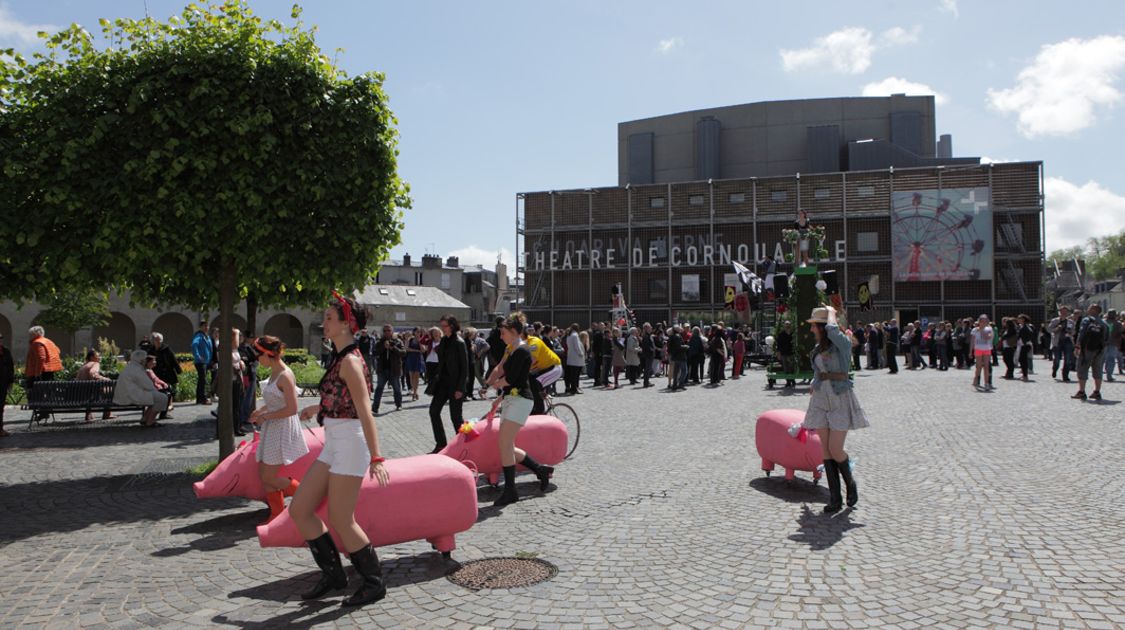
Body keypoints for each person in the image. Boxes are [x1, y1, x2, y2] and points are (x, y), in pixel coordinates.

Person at [289, 293, 389, 606]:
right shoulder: (340, 357)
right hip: (334, 442)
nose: (324, 322)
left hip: (350, 444)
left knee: (342, 518)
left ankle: (374, 583)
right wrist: (316, 407)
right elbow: (341, 397)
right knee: (299, 509)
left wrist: (376, 456)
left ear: (347, 324)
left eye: (330, 318)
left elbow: (365, 410)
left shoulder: (349, 361)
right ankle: (334, 576)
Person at [801, 305, 868, 513]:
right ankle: (834, 499)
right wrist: (814, 383)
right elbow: (819, 371)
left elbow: (833, 331)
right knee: (826, 450)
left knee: (836, 449)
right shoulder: (817, 349)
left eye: (814, 326)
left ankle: (851, 484)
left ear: (823, 326)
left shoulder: (843, 345)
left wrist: (831, 312)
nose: (811, 330)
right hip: (821, 399)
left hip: (840, 398)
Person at [489, 313, 556, 506]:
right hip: (513, 399)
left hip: (521, 401)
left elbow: (513, 380)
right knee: (506, 445)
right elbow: (513, 382)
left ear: (513, 332)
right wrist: (499, 399)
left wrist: (496, 384)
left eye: (503, 333)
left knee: (504, 444)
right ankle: (540, 470)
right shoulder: (513, 350)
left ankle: (511, 490)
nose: (501, 336)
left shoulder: (523, 351)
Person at [248, 336, 308, 524]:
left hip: (281, 428)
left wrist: (266, 416)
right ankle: (277, 514)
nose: (257, 359)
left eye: (258, 355)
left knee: (268, 476)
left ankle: (307, 499)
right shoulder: (275, 373)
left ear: (267, 354)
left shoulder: (285, 375)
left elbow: (291, 409)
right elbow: (276, 402)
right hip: (272, 427)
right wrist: (261, 410)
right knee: (265, 476)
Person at [426, 315, 468, 452]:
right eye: (441, 325)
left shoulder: (459, 342)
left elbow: (465, 367)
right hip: (442, 384)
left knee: (456, 417)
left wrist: (460, 388)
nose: (442, 328)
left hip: (455, 385)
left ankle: (464, 446)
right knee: (433, 411)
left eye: (444, 326)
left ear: (452, 326)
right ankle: (441, 443)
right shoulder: (443, 341)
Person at [113, 350, 170, 428]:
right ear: (141, 360)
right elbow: (148, 385)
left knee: (155, 397)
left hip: (126, 394)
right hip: (131, 396)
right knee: (162, 398)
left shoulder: (131, 366)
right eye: (144, 359)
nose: (145, 361)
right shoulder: (137, 369)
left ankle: (145, 418)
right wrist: (155, 390)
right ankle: (150, 421)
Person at [1073, 304, 1107, 401]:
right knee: (1098, 369)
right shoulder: (1103, 323)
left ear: (1093, 310)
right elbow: (1106, 337)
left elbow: (1081, 333)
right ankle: (1097, 392)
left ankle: (1082, 392)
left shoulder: (1086, 320)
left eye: (1089, 307)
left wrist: (1077, 346)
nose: (1087, 309)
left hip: (1086, 348)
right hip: (1100, 349)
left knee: (1082, 368)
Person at [372, 324, 405, 414]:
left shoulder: (398, 341)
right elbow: (375, 353)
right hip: (382, 370)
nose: (387, 332)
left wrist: (392, 347)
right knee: (379, 388)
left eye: (388, 330)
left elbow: (403, 353)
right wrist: (383, 347)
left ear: (392, 331)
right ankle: (375, 407)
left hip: (394, 369)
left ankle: (399, 405)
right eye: (385, 330)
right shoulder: (379, 342)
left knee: (397, 388)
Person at [76, 350, 116, 423]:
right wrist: (107, 379)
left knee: (93, 391)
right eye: (97, 356)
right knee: (110, 390)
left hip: (81, 393)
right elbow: (93, 374)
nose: (99, 358)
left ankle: (88, 414)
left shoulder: (84, 365)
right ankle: (107, 414)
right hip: (91, 392)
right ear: (91, 357)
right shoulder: (94, 363)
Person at [150, 333, 182, 419]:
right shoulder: (151, 349)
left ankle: (164, 413)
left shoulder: (166, 349)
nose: (158, 342)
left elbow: (173, 359)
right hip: (155, 373)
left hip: (166, 373)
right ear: (153, 341)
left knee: (167, 392)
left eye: (159, 340)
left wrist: (178, 370)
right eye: (156, 340)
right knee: (161, 393)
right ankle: (157, 412)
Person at [191, 321, 213, 405]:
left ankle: (200, 398)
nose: (206, 327)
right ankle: (202, 398)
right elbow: (194, 345)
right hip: (200, 362)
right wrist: (197, 356)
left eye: (207, 326)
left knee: (202, 380)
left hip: (206, 362)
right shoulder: (199, 336)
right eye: (204, 326)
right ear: (200, 327)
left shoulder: (206, 337)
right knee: (202, 380)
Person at [971, 315, 994, 391]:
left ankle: (986, 383)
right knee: (979, 366)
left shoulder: (989, 329)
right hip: (978, 349)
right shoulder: (974, 330)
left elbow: (989, 337)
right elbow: (972, 341)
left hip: (987, 349)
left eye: (985, 321)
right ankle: (976, 379)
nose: (983, 323)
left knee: (986, 366)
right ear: (979, 322)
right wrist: (970, 351)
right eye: (982, 321)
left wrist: (982, 331)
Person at [563, 324, 586, 394]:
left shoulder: (569, 335)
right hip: (576, 358)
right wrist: (581, 353)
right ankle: (574, 388)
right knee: (576, 375)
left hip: (571, 357)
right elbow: (577, 346)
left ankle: (573, 388)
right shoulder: (575, 335)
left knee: (572, 374)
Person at [405, 328, 425, 401]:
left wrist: (419, 341)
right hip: (411, 358)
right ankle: (413, 390)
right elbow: (406, 348)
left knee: (416, 376)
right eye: (417, 332)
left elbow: (423, 350)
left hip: (418, 359)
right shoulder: (410, 339)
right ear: (414, 332)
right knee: (411, 376)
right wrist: (417, 350)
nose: (418, 333)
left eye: (419, 332)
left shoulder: (422, 340)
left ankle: (415, 392)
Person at [775, 320, 797, 388]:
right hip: (784, 353)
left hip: (791, 353)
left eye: (788, 324)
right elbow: (778, 344)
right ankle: (788, 381)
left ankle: (792, 380)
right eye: (786, 324)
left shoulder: (793, 334)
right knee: (785, 367)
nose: (787, 326)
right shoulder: (781, 334)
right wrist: (778, 353)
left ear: (790, 326)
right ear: (784, 326)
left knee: (792, 367)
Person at [0, 333, 13, 437]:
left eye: (1, 338)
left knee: (0, 407)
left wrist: (10, 382)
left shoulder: (5, 351)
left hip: (3, 383)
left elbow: (10, 367)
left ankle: (0, 429)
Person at [1103, 310, 1121, 382]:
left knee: (1103, 359)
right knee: (1110, 359)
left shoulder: (1103, 322)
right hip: (1112, 343)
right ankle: (1109, 375)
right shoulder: (1118, 323)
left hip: (1104, 343)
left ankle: (1101, 375)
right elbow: (1119, 335)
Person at [1017, 314, 1035, 381]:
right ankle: (1024, 374)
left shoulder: (1025, 327)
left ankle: (1025, 375)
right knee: (1022, 360)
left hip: (1025, 345)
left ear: (1023, 319)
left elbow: (1028, 335)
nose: (1018, 320)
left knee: (1023, 360)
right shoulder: (1023, 326)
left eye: (1019, 318)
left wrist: (1024, 341)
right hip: (1024, 344)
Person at [639, 323, 655, 388]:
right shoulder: (646, 336)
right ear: (646, 328)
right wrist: (652, 349)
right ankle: (646, 382)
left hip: (649, 354)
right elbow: (646, 346)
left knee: (648, 369)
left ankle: (647, 381)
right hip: (648, 354)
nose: (651, 328)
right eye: (650, 327)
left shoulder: (648, 335)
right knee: (647, 369)